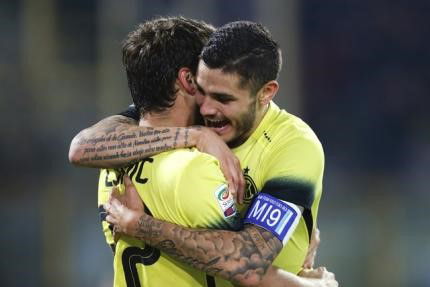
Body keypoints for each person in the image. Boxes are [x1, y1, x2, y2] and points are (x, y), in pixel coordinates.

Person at [72, 17, 336, 287]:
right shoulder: (191, 167)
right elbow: (245, 263)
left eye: (223, 98)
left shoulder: (291, 145)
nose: (208, 108)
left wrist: (292, 227)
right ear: (189, 80)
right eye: (203, 90)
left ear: (266, 93)